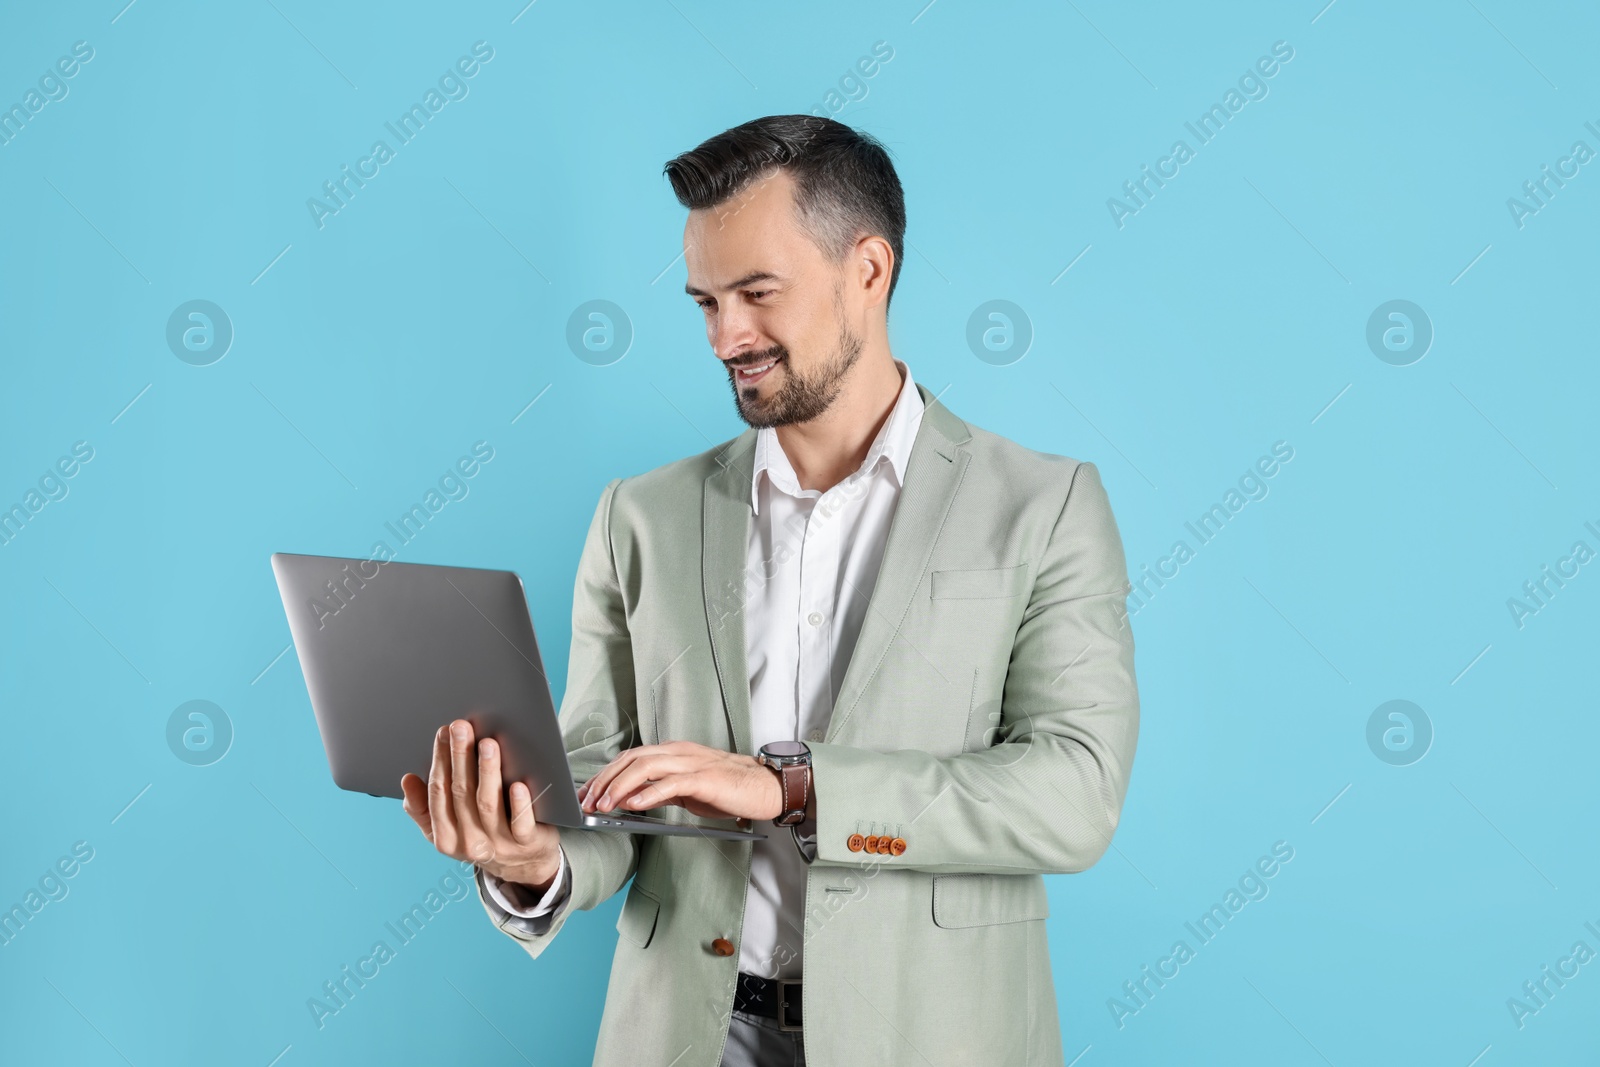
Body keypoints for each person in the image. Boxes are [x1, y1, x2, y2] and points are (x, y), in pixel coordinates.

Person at [400, 114, 1140, 1067]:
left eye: (756, 292)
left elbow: (1073, 794)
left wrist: (790, 789)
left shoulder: (1045, 505)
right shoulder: (640, 516)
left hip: (932, 1036)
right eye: (705, 302)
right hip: (683, 1038)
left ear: (868, 272)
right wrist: (532, 861)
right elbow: (607, 791)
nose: (726, 337)